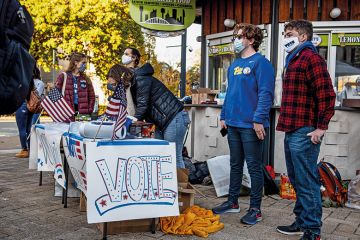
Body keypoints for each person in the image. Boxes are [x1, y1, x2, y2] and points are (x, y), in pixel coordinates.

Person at [276, 20, 336, 240]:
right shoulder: (293, 59)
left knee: (307, 181)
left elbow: (327, 94)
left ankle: (312, 230)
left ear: (302, 37)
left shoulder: (311, 58)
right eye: (284, 33)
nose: (285, 37)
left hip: (305, 130)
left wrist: (321, 127)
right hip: (292, 128)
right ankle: (301, 222)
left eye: (289, 33)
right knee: (297, 179)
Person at [211, 23, 275, 226]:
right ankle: (232, 202)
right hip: (233, 123)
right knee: (235, 164)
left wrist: (258, 120)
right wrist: (223, 116)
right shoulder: (234, 65)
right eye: (235, 36)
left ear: (251, 39)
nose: (236, 40)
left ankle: (255, 209)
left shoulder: (262, 63)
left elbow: (266, 94)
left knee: (254, 167)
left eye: (239, 37)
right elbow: (230, 93)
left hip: (251, 125)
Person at [131, 62, 190, 168]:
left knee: (173, 157)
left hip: (173, 117)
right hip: (161, 122)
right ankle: (168, 184)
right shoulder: (134, 85)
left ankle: (179, 184)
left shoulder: (141, 80)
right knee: (160, 156)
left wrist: (130, 122)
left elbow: (142, 106)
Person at [15, 66, 45, 158]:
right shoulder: (40, 83)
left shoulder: (25, 81)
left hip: (23, 104)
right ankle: (31, 149)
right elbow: (39, 96)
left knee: (22, 129)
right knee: (29, 128)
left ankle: (24, 149)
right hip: (33, 107)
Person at [55, 52, 95, 120]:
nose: (85, 65)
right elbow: (55, 95)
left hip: (83, 114)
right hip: (67, 113)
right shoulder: (63, 76)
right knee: (67, 130)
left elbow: (92, 96)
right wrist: (60, 110)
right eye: (83, 63)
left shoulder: (86, 78)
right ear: (76, 62)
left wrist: (89, 110)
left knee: (81, 130)